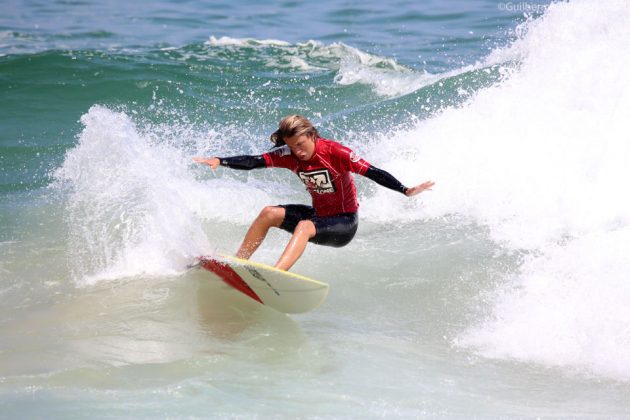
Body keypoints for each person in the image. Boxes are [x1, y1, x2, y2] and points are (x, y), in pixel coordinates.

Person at [193, 115, 434, 271]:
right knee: (269, 213)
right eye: (291, 146)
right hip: (319, 216)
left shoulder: (336, 152)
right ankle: (239, 262)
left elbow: (373, 172)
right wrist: (220, 161)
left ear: (312, 135)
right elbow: (254, 161)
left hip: (344, 223)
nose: (297, 151)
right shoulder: (288, 156)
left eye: (301, 144)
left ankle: (278, 274)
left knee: (304, 227)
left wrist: (405, 190)